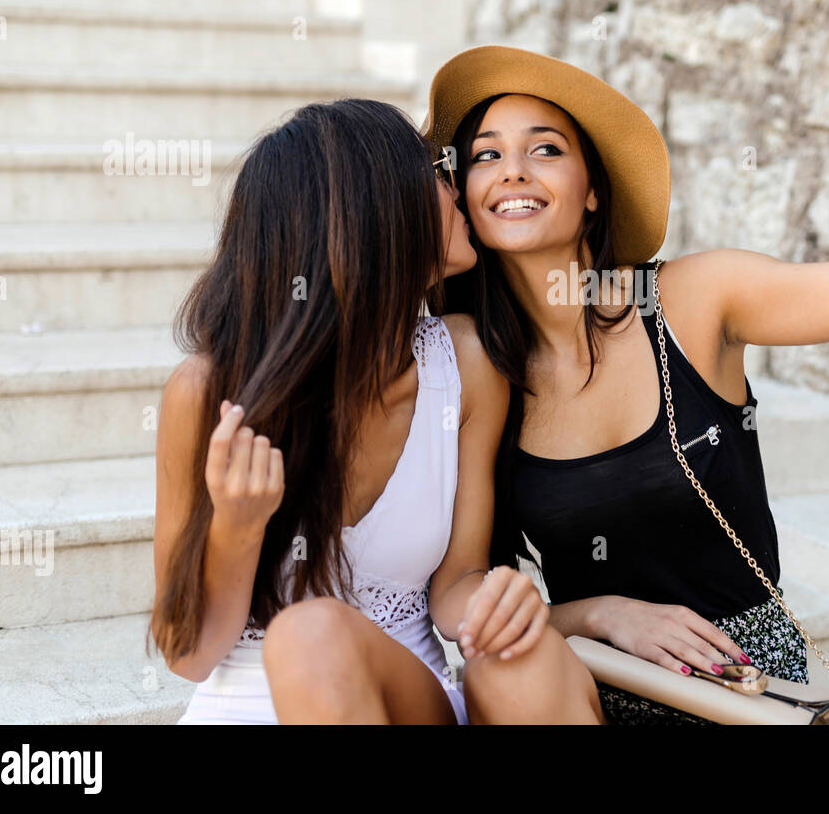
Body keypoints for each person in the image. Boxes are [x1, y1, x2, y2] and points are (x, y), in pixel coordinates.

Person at [425, 38, 829, 722]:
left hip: (745, 684)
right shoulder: (476, 363)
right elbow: (458, 588)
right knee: (501, 670)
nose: (513, 172)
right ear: (465, 197)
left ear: (592, 190)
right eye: (485, 156)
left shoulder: (694, 300)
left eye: (546, 149)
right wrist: (602, 615)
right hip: (594, 677)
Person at [151, 97, 604, 724]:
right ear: (374, 214)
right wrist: (237, 526)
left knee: (334, 635)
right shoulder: (207, 395)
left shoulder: (466, 366)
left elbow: (455, 587)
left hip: (406, 695)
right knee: (307, 636)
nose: (456, 192)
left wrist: (508, 602)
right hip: (249, 700)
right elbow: (186, 655)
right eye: (434, 175)